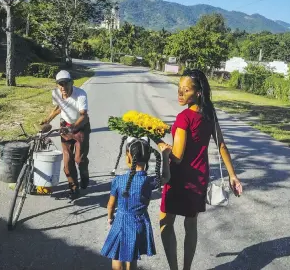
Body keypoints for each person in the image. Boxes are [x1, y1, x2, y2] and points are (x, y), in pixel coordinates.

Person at [154, 68, 243, 270]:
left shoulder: (184, 117)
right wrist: (233, 176)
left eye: (186, 90)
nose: (180, 93)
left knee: (166, 224)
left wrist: (157, 141)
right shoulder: (209, 114)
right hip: (199, 177)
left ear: (198, 92)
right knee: (190, 224)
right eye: (179, 88)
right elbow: (221, 145)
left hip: (179, 179)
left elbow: (176, 157)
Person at [101, 136, 171, 270]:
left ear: (128, 156)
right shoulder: (149, 181)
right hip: (139, 222)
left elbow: (110, 204)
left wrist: (110, 218)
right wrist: (165, 155)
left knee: (117, 254)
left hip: (120, 221)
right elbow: (166, 177)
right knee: (132, 256)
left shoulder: (119, 180)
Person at [40, 70, 91, 200]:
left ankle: (84, 173)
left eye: (65, 83)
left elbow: (83, 115)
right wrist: (48, 119)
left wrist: (74, 127)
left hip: (81, 127)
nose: (63, 87)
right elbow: (59, 107)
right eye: (60, 84)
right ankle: (74, 189)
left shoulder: (80, 94)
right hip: (65, 127)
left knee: (79, 159)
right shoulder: (56, 93)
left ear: (71, 82)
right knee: (67, 162)